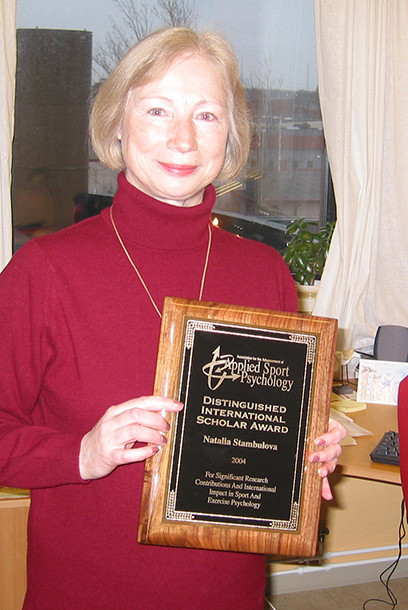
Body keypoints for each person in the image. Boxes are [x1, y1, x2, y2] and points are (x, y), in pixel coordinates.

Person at [0, 27, 345, 610]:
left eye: (207, 116)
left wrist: (304, 455)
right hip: (87, 593)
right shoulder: (44, 271)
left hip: (226, 594)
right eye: (158, 109)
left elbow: (266, 442)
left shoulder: (267, 275)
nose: (183, 138)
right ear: (117, 123)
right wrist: (84, 452)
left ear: (230, 136)